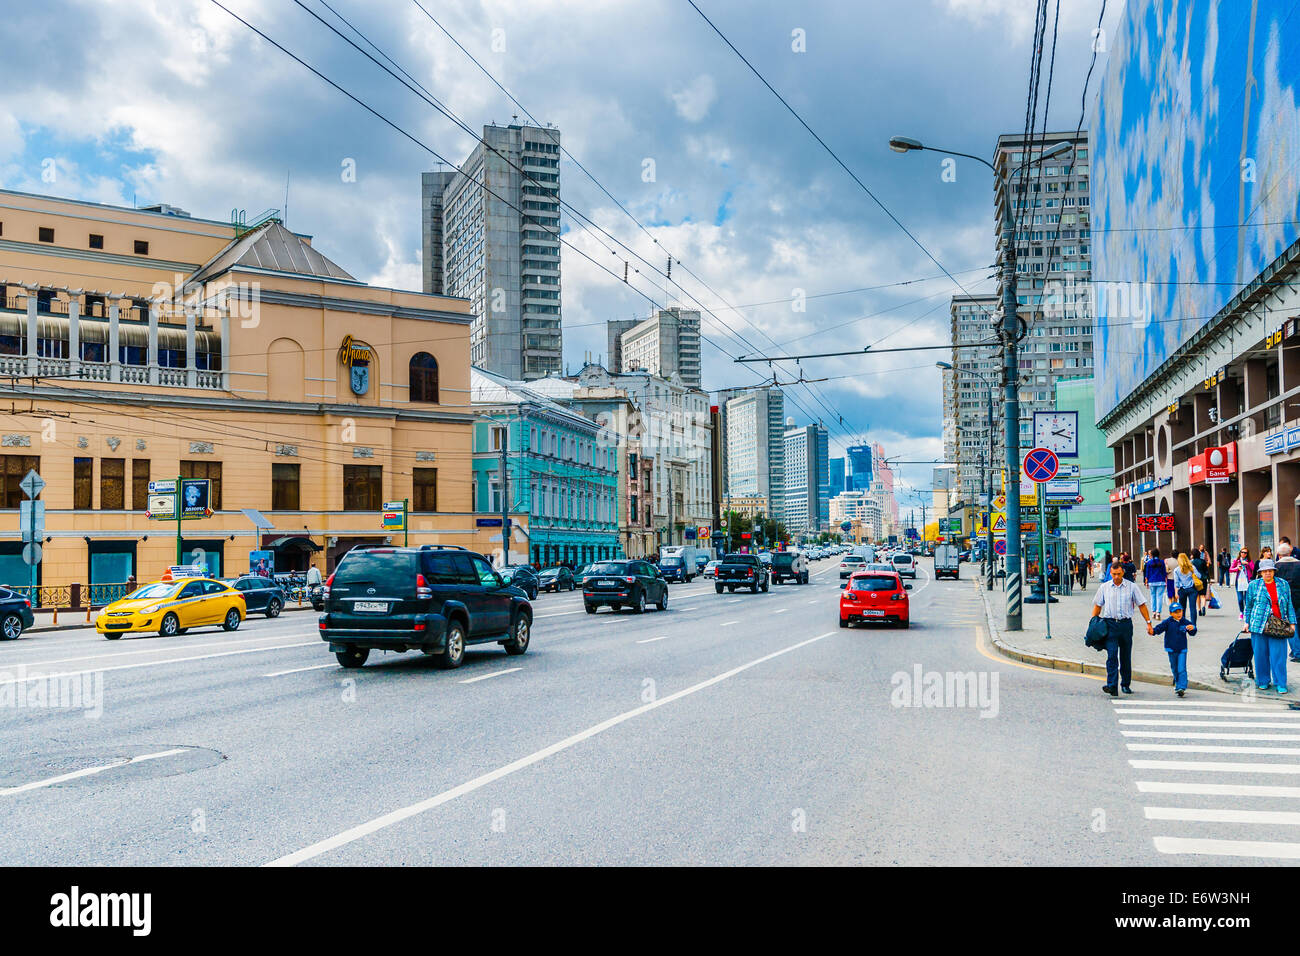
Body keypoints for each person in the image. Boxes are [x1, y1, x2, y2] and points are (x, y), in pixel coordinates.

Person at [1091, 560, 1155, 696]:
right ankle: (1112, 685)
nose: (1116, 577)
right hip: (1110, 625)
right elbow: (1097, 605)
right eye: (1114, 574)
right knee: (1112, 655)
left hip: (1126, 625)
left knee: (1125, 656)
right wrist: (1093, 624)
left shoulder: (1132, 587)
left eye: (1118, 574)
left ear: (1123, 572)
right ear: (1110, 573)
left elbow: (1142, 605)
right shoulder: (1104, 587)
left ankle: (1125, 684)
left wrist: (1148, 623)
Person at [1242, 558, 1298, 694]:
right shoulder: (1253, 585)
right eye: (1265, 571)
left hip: (1279, 625)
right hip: (1258, 625)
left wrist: (1292, 623)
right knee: (1260, 655)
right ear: (1260, 573)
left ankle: (1280, 683)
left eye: (1270, 571)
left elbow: (1289, 605)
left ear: (1274, 571)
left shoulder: (1283, 584)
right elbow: (1248, 606)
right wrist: (1246, 622)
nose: (1268, 573)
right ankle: (1263, 681)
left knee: (1278, 657)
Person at [1154, 601, 1196, 697]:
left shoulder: (1185, 622)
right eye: (1175, 612)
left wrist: (1193, 628)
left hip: (1182, 649)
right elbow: (1159, 628)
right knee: (1174, 668)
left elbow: (1192, 632)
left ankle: (1182, 687)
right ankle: (1178, 683)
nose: (1178, 614)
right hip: (1171, 649)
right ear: (1171, 613)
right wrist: (1153, 631)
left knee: (1182, 668)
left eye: (1180, 611)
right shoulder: (1167, 622)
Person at [1275, 544, 1300, 662]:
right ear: (1290, 553)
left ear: (1279, 555)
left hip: (1284, 599)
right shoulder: (1298, 564)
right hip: (1298, 597)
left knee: (1290, 624)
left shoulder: (1276, 566)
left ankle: (1297, 651)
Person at [1173, 552, 1200, 626]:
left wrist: (1176, 592)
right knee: (1193, 607)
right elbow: (1199, 576)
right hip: (1192, 589)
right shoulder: (1192, 567)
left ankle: (1183, 624)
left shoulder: (1176, 570)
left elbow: (1176, 583)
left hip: (1182, 590)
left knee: (1182, 608)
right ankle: (1193, 625)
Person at [1230, 547, 1253, 621]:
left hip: (1247, 581)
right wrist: (1237, 568)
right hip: (1239, 582)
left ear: (1247, 554)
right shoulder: (1236, 561)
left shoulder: (1249, 561)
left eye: (1245, 553)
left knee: (1247, 599)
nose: (1243, 554)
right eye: (1242, 552)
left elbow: (1253, 568)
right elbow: (1230, 569)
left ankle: (1246, 612)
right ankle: (1241, 612)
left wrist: (1247, 564)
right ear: (1240, 553)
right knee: (1240, 599)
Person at [1143, 547, 1167, 616]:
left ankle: (1153, 611)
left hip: (1151, 581)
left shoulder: (1149, 562)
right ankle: (1158, 612)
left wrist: (1146, 582)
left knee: (1153, 596)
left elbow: (1147, 574)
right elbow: (1164, 573)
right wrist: (1166, 582)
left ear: (1152, 554)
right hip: (1161, 581)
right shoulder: (1162, 562)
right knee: (1159, 596)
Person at [1191, 546, 1211, 616]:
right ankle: (1203, 607)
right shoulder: (1203, 561)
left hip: (1195, 580)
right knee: (1203, 595)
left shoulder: (1192, 562)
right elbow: (1206, 571)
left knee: (1197, 595)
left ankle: (1199, 609)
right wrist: (1209, 579)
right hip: (1203, 579)